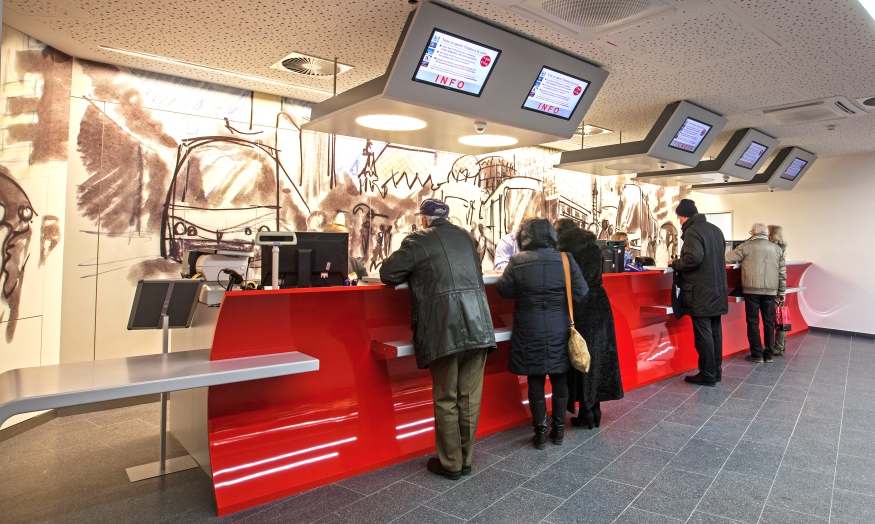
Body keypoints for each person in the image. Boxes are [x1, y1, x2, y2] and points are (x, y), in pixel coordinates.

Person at [380, 199, 496, 480]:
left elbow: (388, 273)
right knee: (469, 397)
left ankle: (451, 464)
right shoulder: (467, 238)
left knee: (446, 397)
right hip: (479, 324)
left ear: (423, 219)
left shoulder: (418, 240)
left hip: (445, 327)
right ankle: (465, 460)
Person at [496, 219, 587, 449]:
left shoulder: (517, 261)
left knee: (535, 378)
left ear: (525, 237)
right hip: (559, 326)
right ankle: (558, 430)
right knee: (559, 377)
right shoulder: (565, 260)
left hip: (529, 328)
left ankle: (540, 431)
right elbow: (581, 291)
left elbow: (503, 290)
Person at [557, 227, 624, 429]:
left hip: (580, 306)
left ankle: (586, 411)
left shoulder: (566, 251)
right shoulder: (595, 248)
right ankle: (595, 408)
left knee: (580, 358)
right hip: (600, 303)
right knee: (596, 357)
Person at [669, 199, 728, 386]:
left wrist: (675, 263)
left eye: (679, 218)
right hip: (717, 289)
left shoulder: (692, 231)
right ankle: (716, 371)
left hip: (700, 290)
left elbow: (693, 258)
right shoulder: (715, 229)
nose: (679, 222)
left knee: (703, 335)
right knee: (715, 332)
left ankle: (707, 374)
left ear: (684, 216)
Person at [726, 223, 786, 363]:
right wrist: (781, 291)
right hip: (771, 291)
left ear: (753, 232)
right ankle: (769, 354)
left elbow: (728, 257)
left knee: (753, 321)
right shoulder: (776, 249)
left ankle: (757, 354)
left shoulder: (746, 246)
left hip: (751, 289)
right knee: (769, 322)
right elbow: (782, 272)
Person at [768, 225, 789, 355]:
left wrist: (781, 292)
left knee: (772, 319)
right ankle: (780, 346)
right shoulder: (782, 248)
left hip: (773, 288)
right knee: (780, 318)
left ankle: (778, 347)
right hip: (778, 288)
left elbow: (781, 272)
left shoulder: (775, 250)